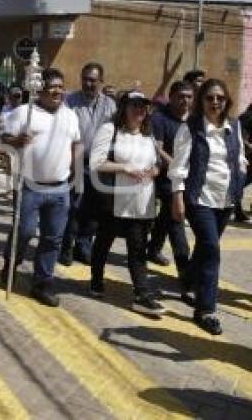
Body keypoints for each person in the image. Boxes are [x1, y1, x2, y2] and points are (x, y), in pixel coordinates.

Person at [169, 78, 246, 335]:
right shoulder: (190, 128)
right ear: (202, 100)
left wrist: (239, 179)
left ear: (226, 101)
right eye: (210, 98)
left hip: (225, 200)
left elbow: (240, 160)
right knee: (212, 249)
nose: (215, 102)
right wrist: (177, 197)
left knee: (204, 247)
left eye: (220, 98)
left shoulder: (233, 126)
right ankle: (206, 309)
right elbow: (178, 166)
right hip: (199, 198)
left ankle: (188, 279)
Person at [2, 68, 81, 307]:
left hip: (60, 188)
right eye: (51, 86)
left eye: (60, 86)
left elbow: (76, 143)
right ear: (41, 89)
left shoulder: (70, 115)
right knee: (24, 231)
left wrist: (77, 174)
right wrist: (16, 141)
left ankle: (42, 283)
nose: (56, 90)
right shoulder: (23, 113)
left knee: (53, 238)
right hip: (29, 186)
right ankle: (11, 264)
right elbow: (2, 139)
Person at [89, 91, 165, 315]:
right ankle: (96, 280)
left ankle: (142, 294)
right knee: (104, 242)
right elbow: (96, 162)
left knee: (138, 249)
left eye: (143, 107)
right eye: (135, 105)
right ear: (124, 108)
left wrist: (155, 171)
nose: (140, 110)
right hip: (114, 200)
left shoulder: (148, 135)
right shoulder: (110, 130)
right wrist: (124, 167)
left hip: (142, 204)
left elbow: (157, 163)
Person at [61, 62, 117, 265]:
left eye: (93, 80)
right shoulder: (70, 102)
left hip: (100, 165)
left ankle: (83, 247)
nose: (88, 83)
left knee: (94, 210)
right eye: (85, 79)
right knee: (73, 208)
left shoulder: (110, 105)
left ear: (101, 81)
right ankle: (66, 248)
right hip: (75, 162)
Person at [147, 81, 194, 275]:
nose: (185, 100)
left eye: (189, 96)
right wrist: (177, 165)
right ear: (172, 97)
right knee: (176, 219)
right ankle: (185, 270)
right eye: (181, 96)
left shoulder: (194, 119)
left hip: (187, 178)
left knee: (166, 215)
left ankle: (153, 249)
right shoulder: (159, 118)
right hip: (165, 177)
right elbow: (157, 148)